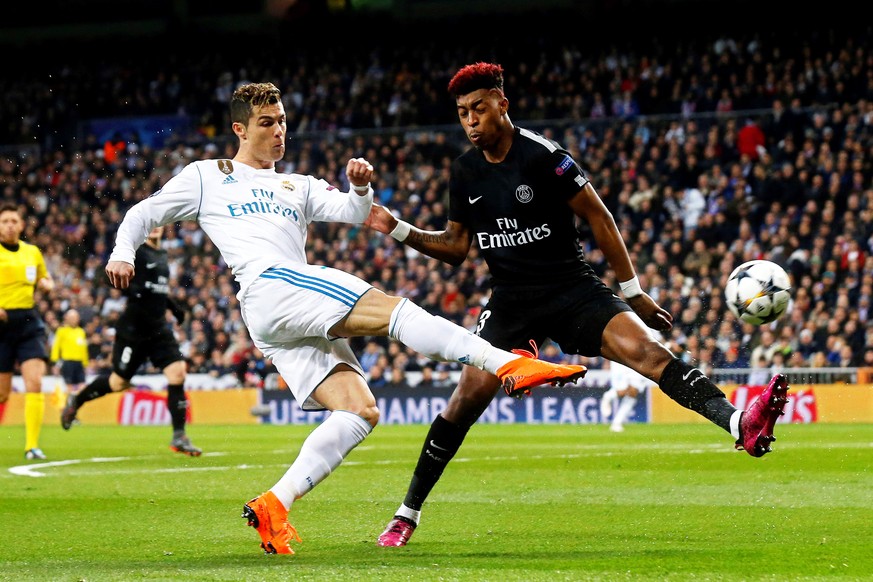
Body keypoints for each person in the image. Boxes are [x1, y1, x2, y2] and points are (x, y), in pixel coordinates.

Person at [101, 82, 586, 555]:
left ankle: (275, 503)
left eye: (283, 122)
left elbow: (354, 213)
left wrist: (360, 187)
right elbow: (144, 214)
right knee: (392, 308)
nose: (279, 132)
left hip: (281, 312)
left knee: (359, 411)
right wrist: (123, 252)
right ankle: (506, 363)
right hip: (272, 284)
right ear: (239, 130)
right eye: (266, 124)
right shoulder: (208, 175)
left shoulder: (298, 185)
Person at [364, 62, 791, 547]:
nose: (470, 121)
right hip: (511, 303)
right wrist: (397, 228)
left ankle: (741, 423)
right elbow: (456, 249)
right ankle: (406, 513)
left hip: (572, 288)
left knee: (650, 354)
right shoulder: (464, 172)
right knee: (467, 398)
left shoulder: (546, 156)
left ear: (502, 104)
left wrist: (633, 293)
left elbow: (601, 218)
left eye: (478, 108)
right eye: (462, 113)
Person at [61, 226, 203, 457]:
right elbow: (107, 273)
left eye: (159, 223)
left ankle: (179, 436)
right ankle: (77, 400)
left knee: (178, 372)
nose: (155, 227)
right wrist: (128, 288)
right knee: (119, 383)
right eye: (151, 223)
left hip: (158, 329)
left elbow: (158, 291)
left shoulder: (162, 255)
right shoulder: (135, 252)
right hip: (133, 330)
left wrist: (174, 309)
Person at [0, 203, 55, 460]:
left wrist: (46, 284)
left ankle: (31, 446)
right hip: (1, 325)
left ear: (22, 225)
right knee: (3, 393)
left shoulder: (32, 252)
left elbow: (45, 279)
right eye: (5, 221)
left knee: (35, 383)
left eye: (14, 220)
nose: (10, 225)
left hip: (28, 322)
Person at [600, 360, 651, 432]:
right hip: (620, 359)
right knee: (622, 391)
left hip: (637, 359)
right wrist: (606, 361)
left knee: (633, 391)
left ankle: (617, 423)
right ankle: (608, 396)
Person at [51, 308, 90, 400]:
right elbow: (56, 347)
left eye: (76, 317)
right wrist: (55, 363)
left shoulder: (81, 332)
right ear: (67, 318)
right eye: (72, 317)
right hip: (68, 362)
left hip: (79, 362)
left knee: (82, 386)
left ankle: (77, 404)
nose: (74, 319)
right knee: (69, 387)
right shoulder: (62, 331)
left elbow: (84, 349)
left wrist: (85, 364)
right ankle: (69, 406)